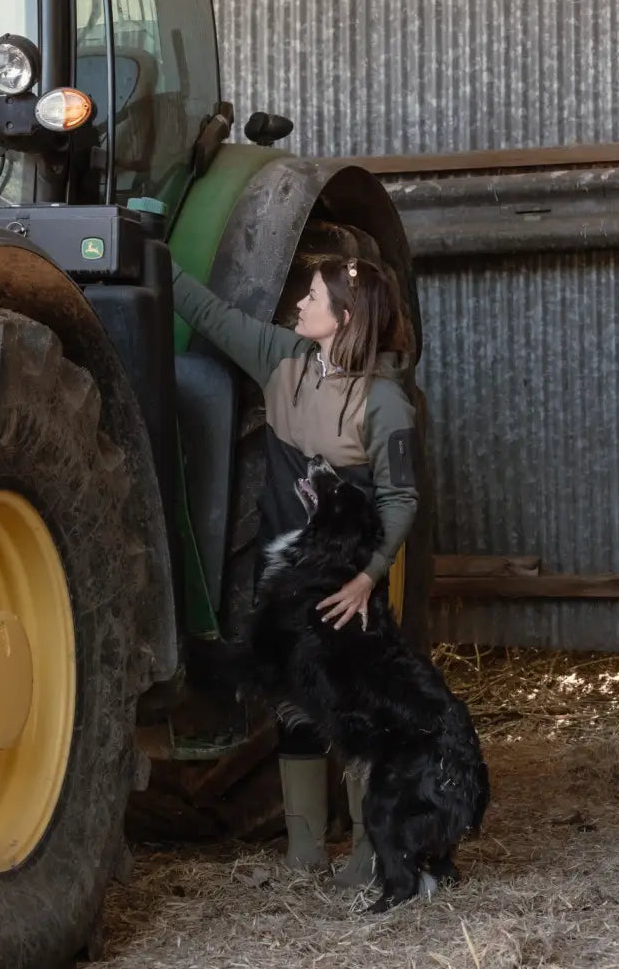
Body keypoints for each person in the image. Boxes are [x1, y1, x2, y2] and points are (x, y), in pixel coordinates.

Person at [172, 252, 420, 887]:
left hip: (348, 584)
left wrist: (368, 577)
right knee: (292, 702)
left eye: (312, 298)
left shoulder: (385, 402)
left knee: (356, 707)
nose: (300, 306)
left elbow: (399, 498)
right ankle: (305, 852)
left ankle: (370, 852)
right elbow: (208, 312)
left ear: (345, 315)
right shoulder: (281, 360)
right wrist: (147, 254)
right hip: (285, 575)